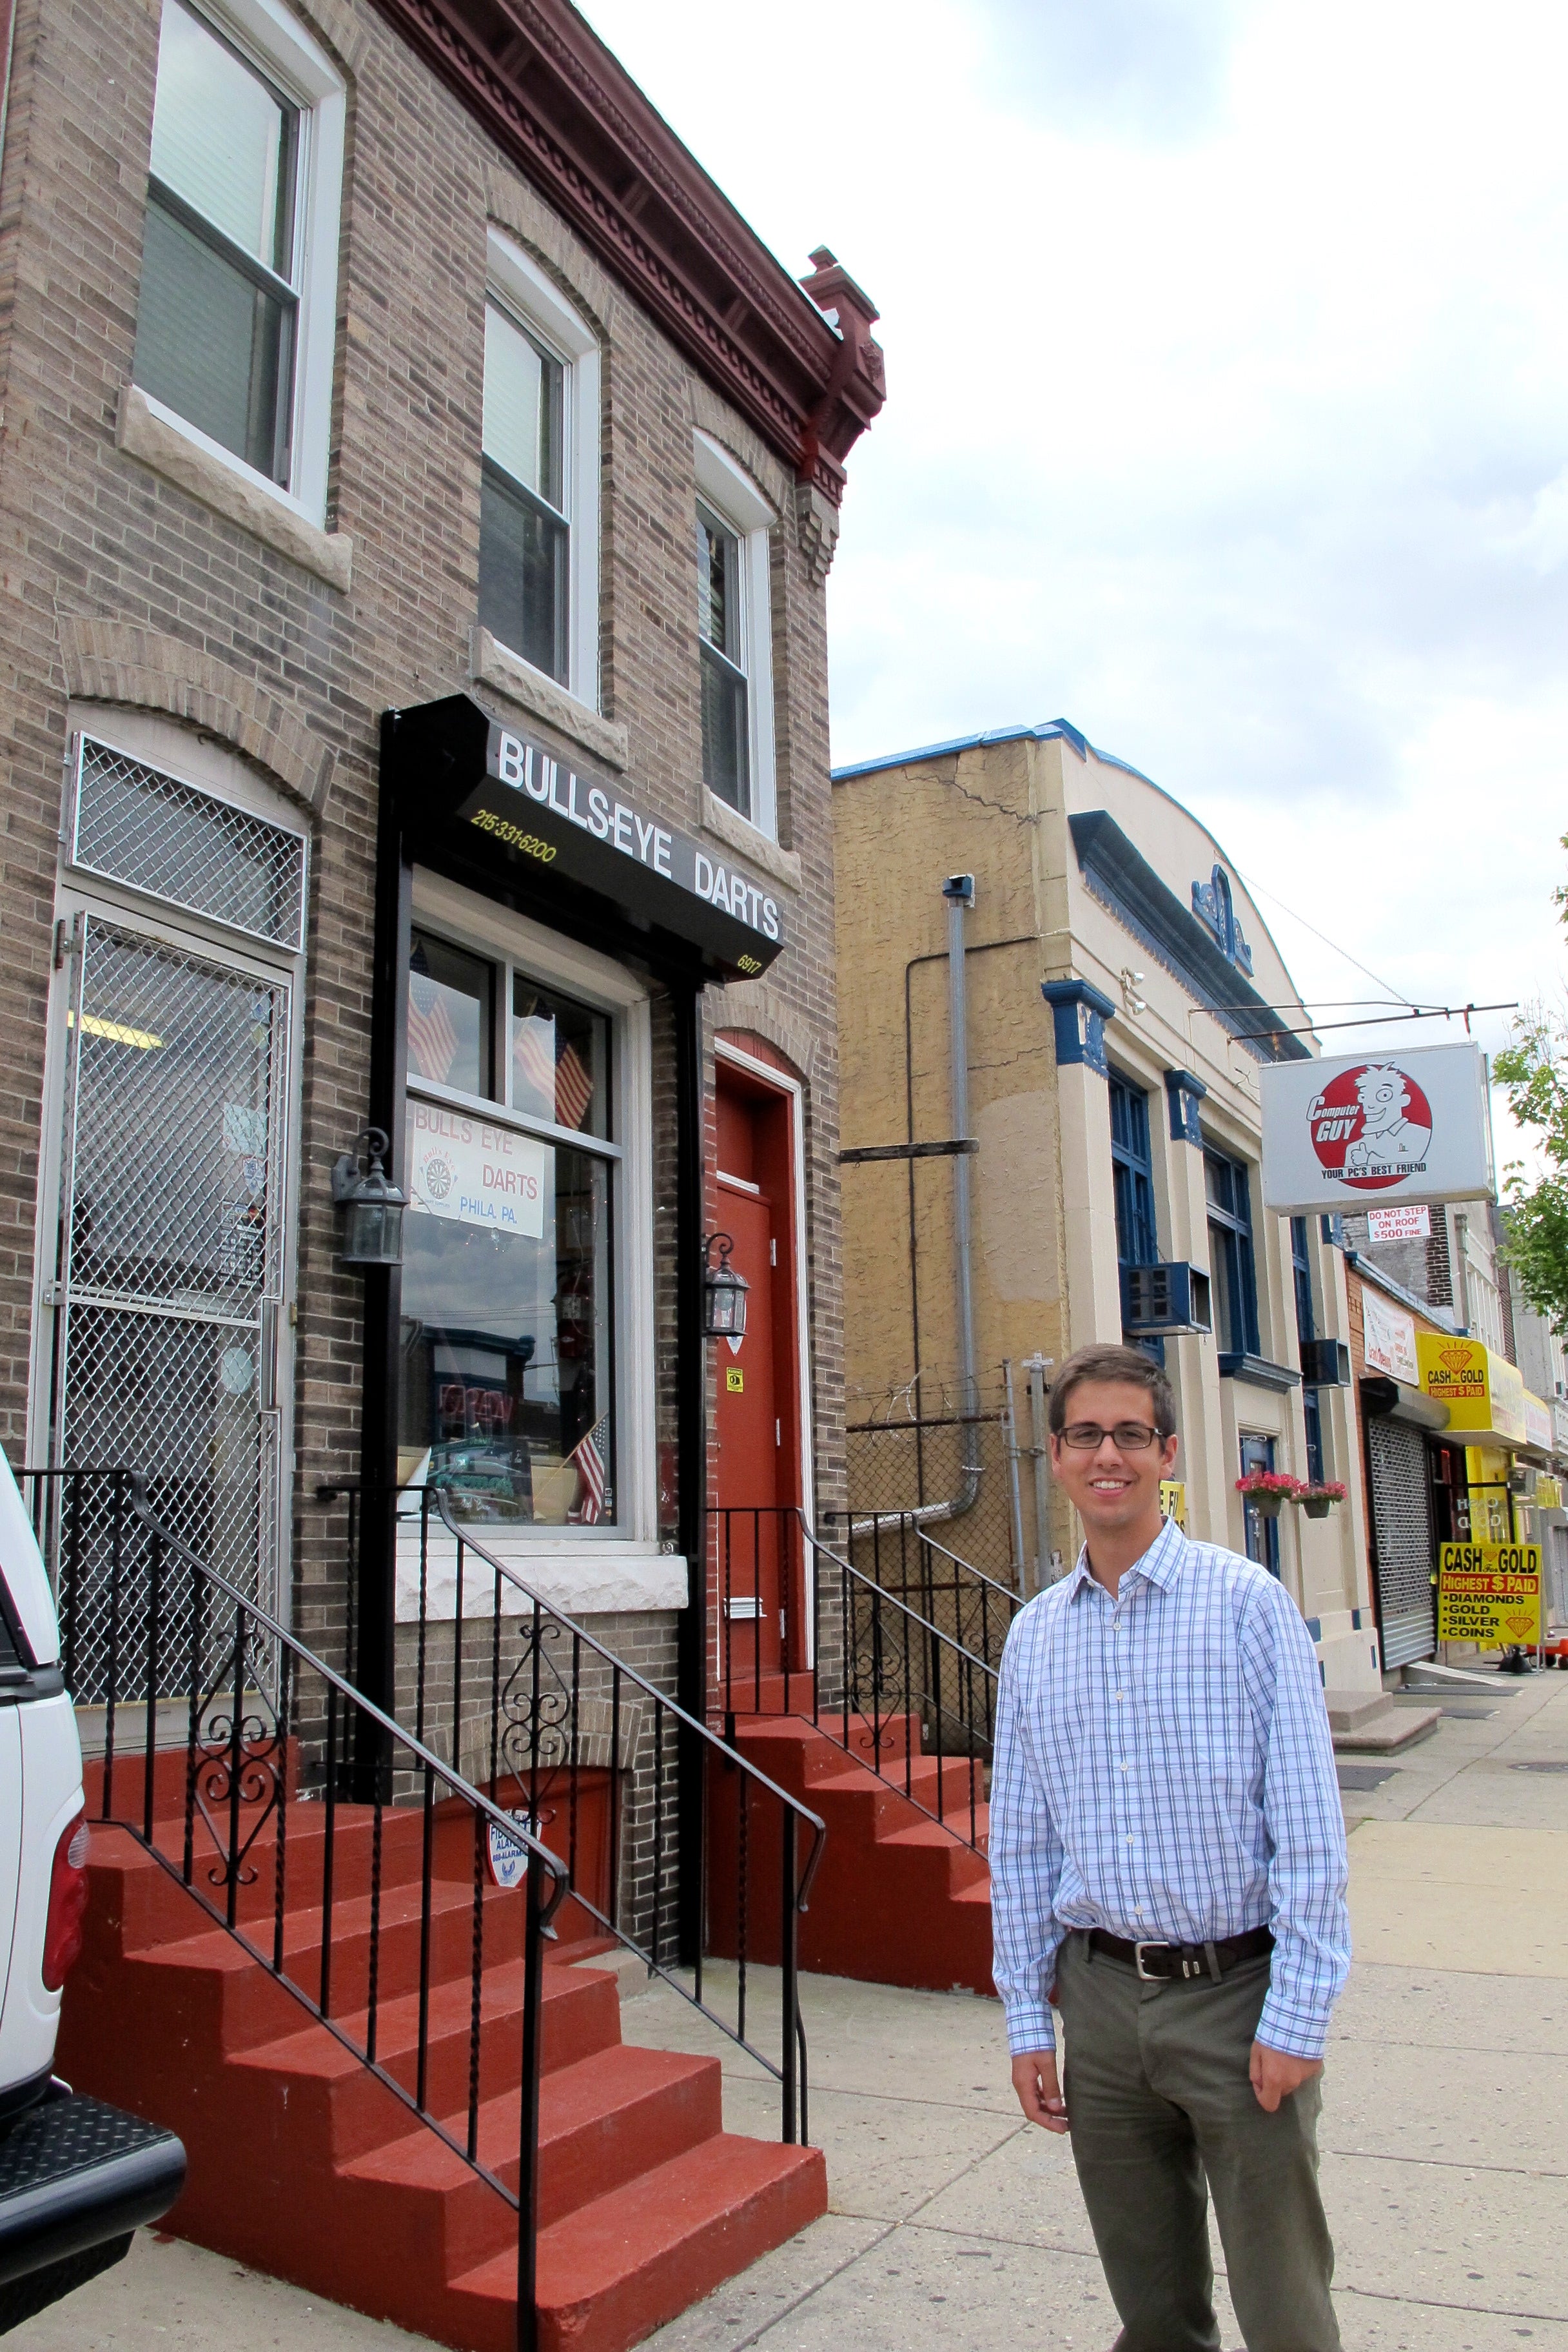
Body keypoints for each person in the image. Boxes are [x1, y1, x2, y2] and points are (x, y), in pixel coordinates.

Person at [990, 1342, 1349, 2352]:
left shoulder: (1246, 1608)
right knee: (1151, 2311)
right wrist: (1028, 2021)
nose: (1111, 1456)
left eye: (1132, 1435)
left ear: (1169, 1453)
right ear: (1056, 1454)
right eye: (1088, 1435)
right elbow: (1020, 1846)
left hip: (1237, 1999)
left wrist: (1300, 2012)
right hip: (1099, 2004)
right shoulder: (1036, 1637)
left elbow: (1310, 1832)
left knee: (1284, 2305)